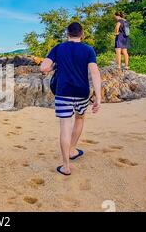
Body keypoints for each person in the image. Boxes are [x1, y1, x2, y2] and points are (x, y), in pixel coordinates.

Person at [40, 22, 102, 176]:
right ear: (82, 34)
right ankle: (72, 149)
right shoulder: (88, 50)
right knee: (80, 119)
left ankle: (66, 166)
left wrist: (55, 66)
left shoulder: (58, 48)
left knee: (65, 127)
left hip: (63, 93)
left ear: (67, 34)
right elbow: (95, 73)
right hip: (82, 92)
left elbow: (43, 68)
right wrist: (98, 97)